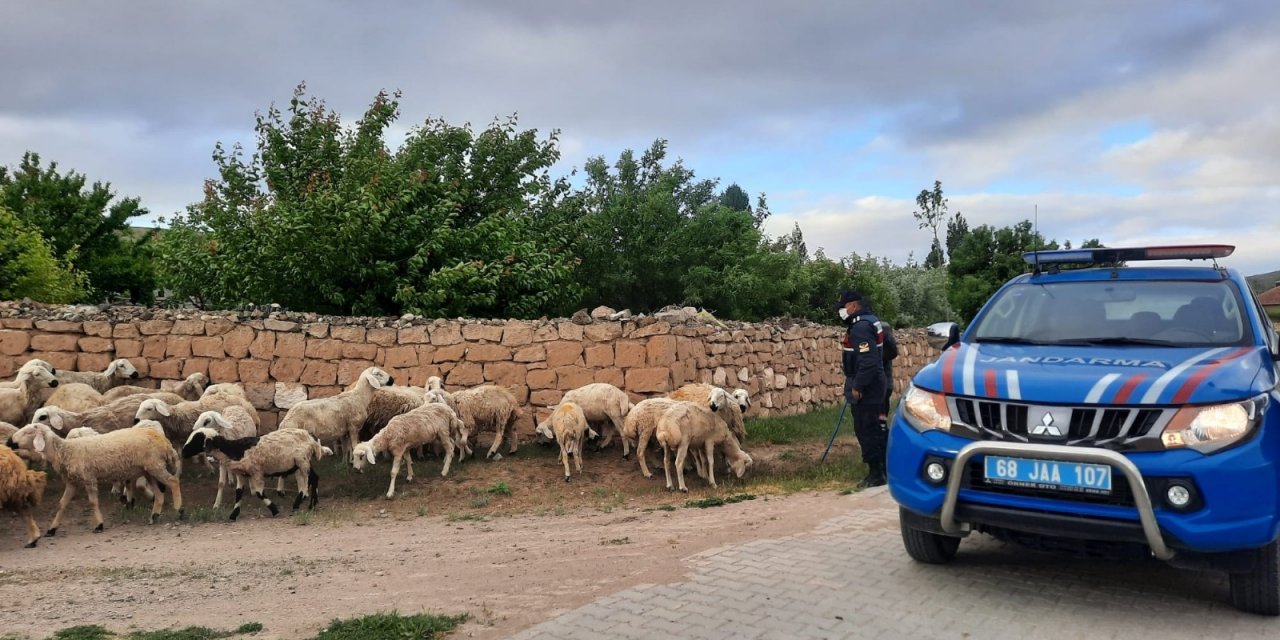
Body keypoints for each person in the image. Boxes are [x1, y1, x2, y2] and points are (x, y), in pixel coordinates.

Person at [837, 290, 888, 488]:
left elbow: (868, 361)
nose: (842, 311)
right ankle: (883, 469)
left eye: (844, 306)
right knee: (876, 427)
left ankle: (876, 474)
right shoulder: (872, 320)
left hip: (867, 386)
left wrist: (858, 385)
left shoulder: (860, 327)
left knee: (866, 429)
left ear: (853, 306)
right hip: (876, 382)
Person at [878, 320, 899, 431]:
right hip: (885, 385)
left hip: (883, 384)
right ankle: (882, 428)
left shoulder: (885, 350)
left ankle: (882, 430)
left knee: (881, 411)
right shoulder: (885, 349)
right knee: (882, 411)